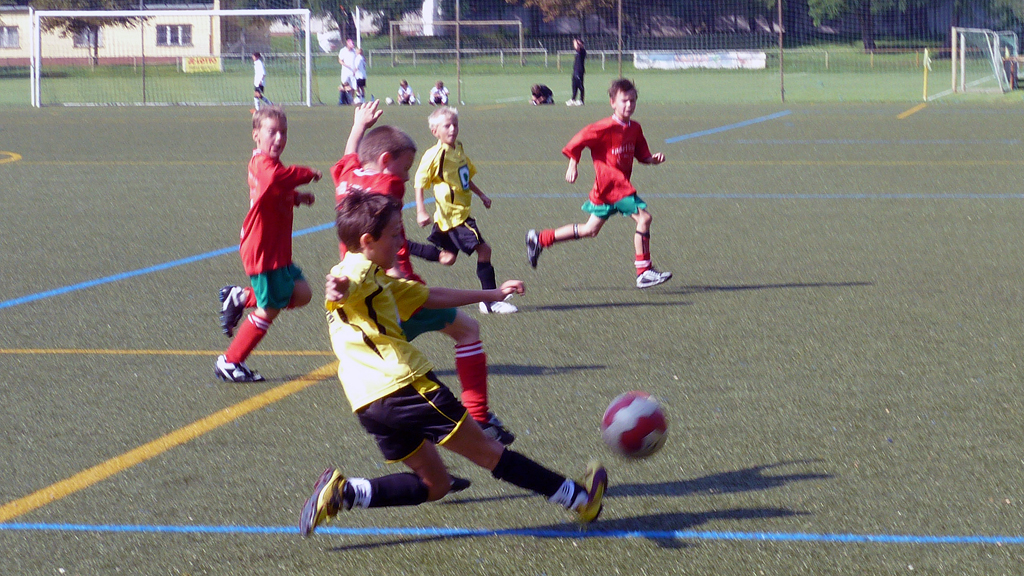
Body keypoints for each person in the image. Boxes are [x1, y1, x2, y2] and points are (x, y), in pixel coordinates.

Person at [298, 189, 608, 537]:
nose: (400, 242)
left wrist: (492, 294)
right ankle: (580, 499)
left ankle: (345, 493)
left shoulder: (378, 279)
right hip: (405, 387)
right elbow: (347, 286)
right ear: (367, 241)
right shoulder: (358, 272)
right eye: (394, 235)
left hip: (368, 402)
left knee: (436, 485)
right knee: (490, 453)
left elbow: (430, 296)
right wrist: (338, 289)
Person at [329, 101, 515, 444]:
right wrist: (403, 273)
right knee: (465, 332)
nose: (405, 176)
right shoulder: (388, 186)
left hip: (360, 291)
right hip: (388, 289)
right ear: (386, 161)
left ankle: (427, 438)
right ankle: (476, 419)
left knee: (402, 360)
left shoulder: (346, 177)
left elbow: (349, 155)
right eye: (404, 167)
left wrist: (358, 126)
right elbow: (391, 237)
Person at [526, 78, 672, 289]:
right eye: (624, 100)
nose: (629, 105)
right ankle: (644, 271)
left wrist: (652, 159)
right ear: (612, 102)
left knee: (590, 230)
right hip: (613, 185)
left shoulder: (635, 128)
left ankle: (539, 239)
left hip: (610, 189)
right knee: (644, 218)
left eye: (632, 100)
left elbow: (642, 154)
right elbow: (578, 141)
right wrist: (573, 164)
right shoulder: (603, 127)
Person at [216, 106, 323, 382]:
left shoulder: (272, 165)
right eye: (272, 132)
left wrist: (296, 197)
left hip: (277, 250)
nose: (278, 138)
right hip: (262, 250)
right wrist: (306, 173)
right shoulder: (262, 164)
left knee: (302, 293)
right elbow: (274, 180)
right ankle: (230, 362)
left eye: (283, 132)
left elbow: (273, 192)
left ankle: (240, 297)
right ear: (256, 134)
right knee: (270, 308)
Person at [414, 106, 517, 314]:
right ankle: (490, 302)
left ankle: (404, 246)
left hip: (454, 215)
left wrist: (481, 195)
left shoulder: (458, 148)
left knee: (447, 259)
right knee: (485, 250)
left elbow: (464, 177)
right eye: (447, 126)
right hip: (454, 216)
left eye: (455, 124)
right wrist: (420, 211)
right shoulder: (435, 155)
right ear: (435, 131)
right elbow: (420, 182)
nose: (452, 129)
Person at [568, 38, 586, 106]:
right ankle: (573, 99)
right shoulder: (578, 51)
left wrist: (575, 42)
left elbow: (577, 47)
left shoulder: (582, 51)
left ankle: (581, 100)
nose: (577, 44)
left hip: (580, 71)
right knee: (574, 86)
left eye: (579, 43)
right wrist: (575, 42)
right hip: (575, 70)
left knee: (580, 85)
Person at [338, 38, 356, 102]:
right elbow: (340, 60)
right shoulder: (343, 51)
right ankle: (342, 99)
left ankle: (351, 99)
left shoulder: (354, 51)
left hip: (353, 72)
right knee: (344, 84)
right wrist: (345, 65)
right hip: (345, 71)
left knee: (353, 86)